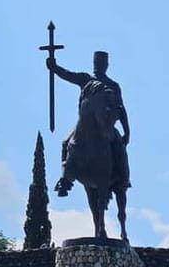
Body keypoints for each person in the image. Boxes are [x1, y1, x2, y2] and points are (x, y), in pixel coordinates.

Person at [46, 51, 130, 196]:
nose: (99, 66)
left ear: (106, 65)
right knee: (66, 142)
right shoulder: (85, 79)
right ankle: (65, 180)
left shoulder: (113, 85)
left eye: (102, 64)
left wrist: (127, 130)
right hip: (85, 124)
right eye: (97, 63)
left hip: (106, 126)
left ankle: (123, 178)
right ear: (94, 64)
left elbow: (120, 109)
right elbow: (68, 75)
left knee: (118, 146)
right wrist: (54, 67)